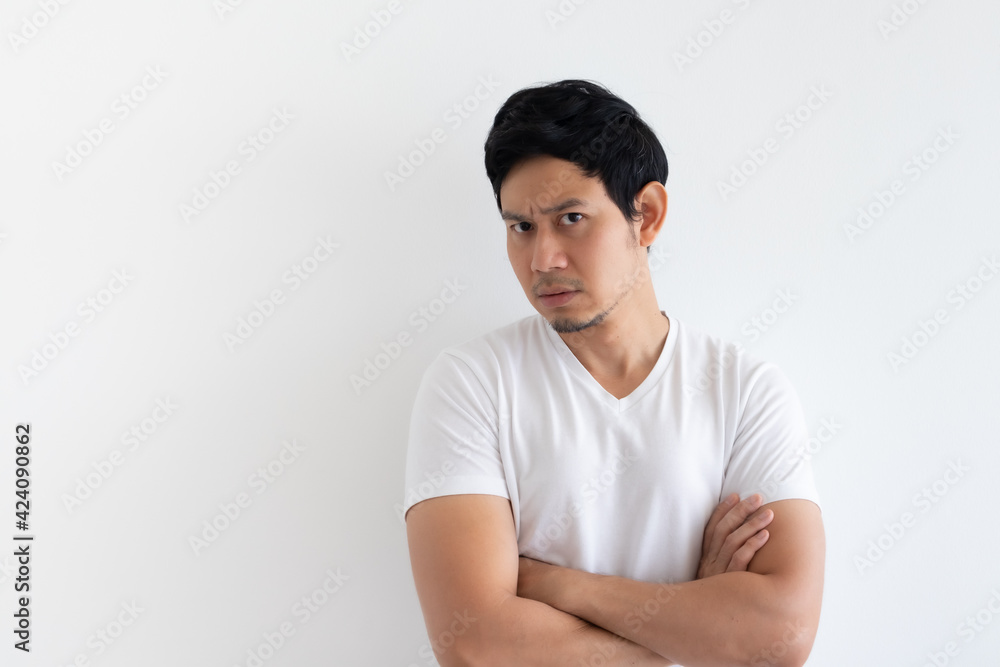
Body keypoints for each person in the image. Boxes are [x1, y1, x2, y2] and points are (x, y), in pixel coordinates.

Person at [403, 79, 824, 667]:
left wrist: (554, 584)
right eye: (520, 227)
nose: (542, 259)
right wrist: (693, 624)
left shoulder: (746, 392)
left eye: (570, 218)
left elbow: (779, 638)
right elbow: (475, 644)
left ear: (646, 216)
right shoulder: (472, 384)